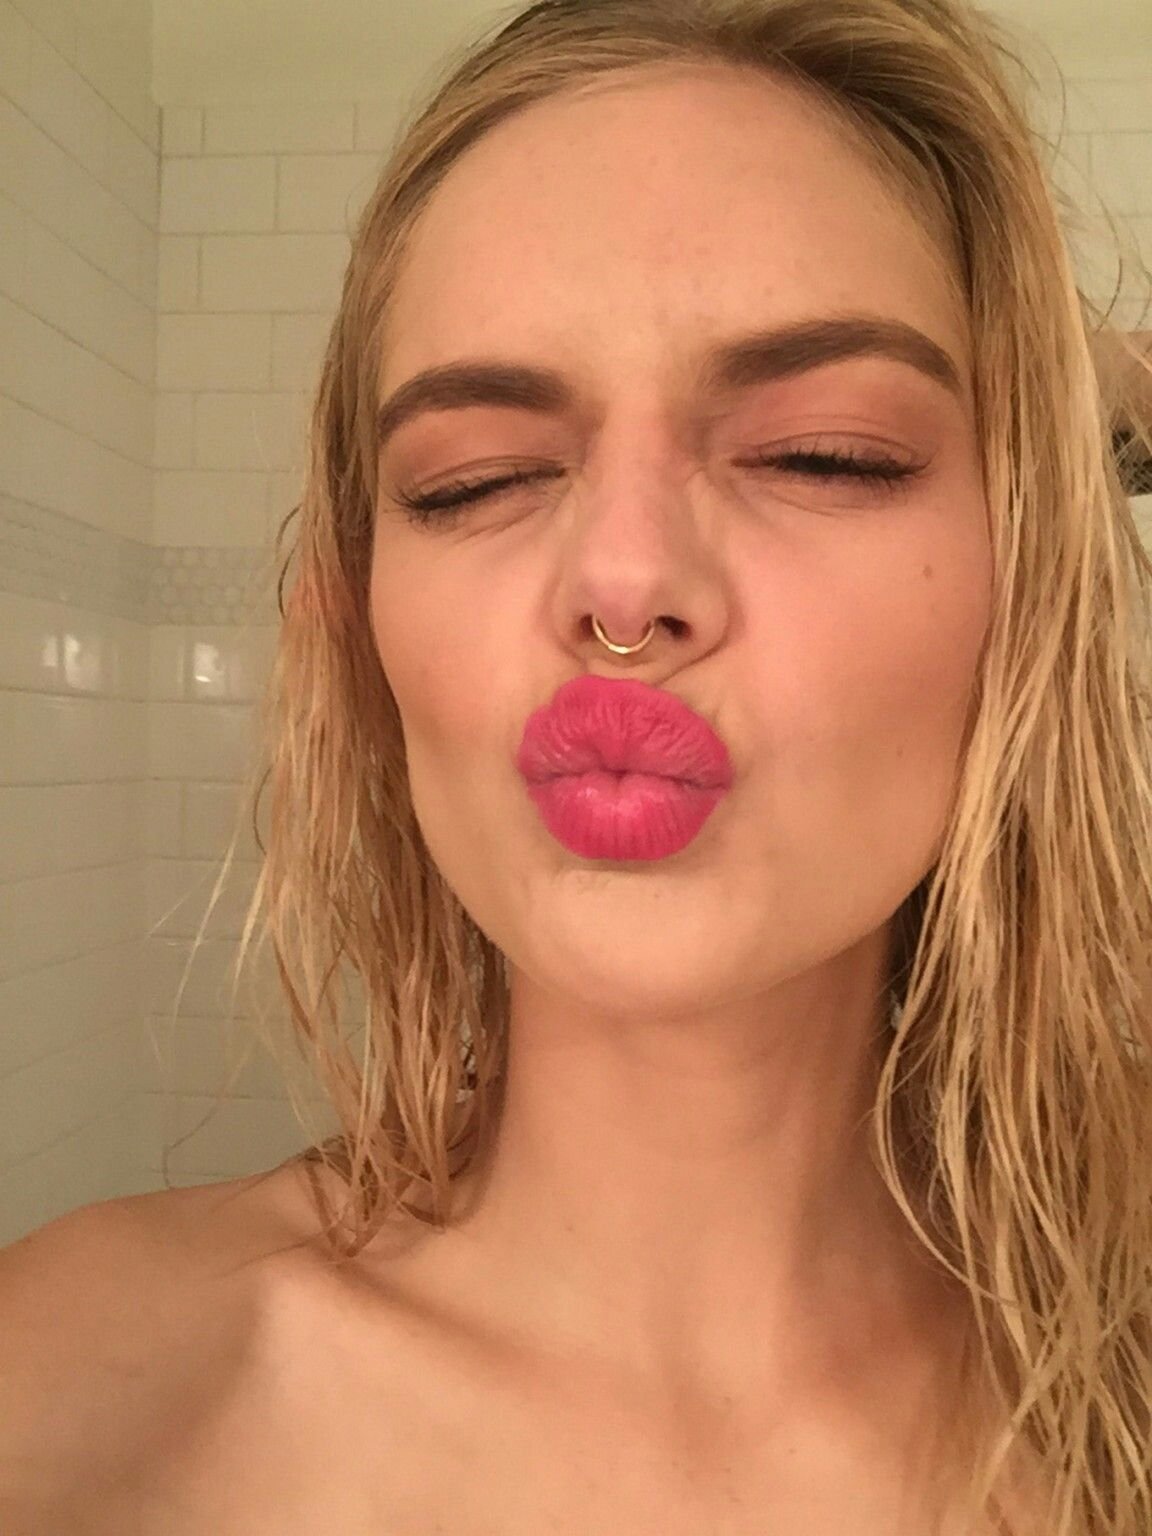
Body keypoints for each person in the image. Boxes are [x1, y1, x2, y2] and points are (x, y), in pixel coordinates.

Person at [2, 1, 1151, 1531]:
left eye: (826, 454)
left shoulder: (1120, 1350)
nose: (621, 580)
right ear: (357, 623)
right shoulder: (78, 1390)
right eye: (475, 482)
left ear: (1034, 587)